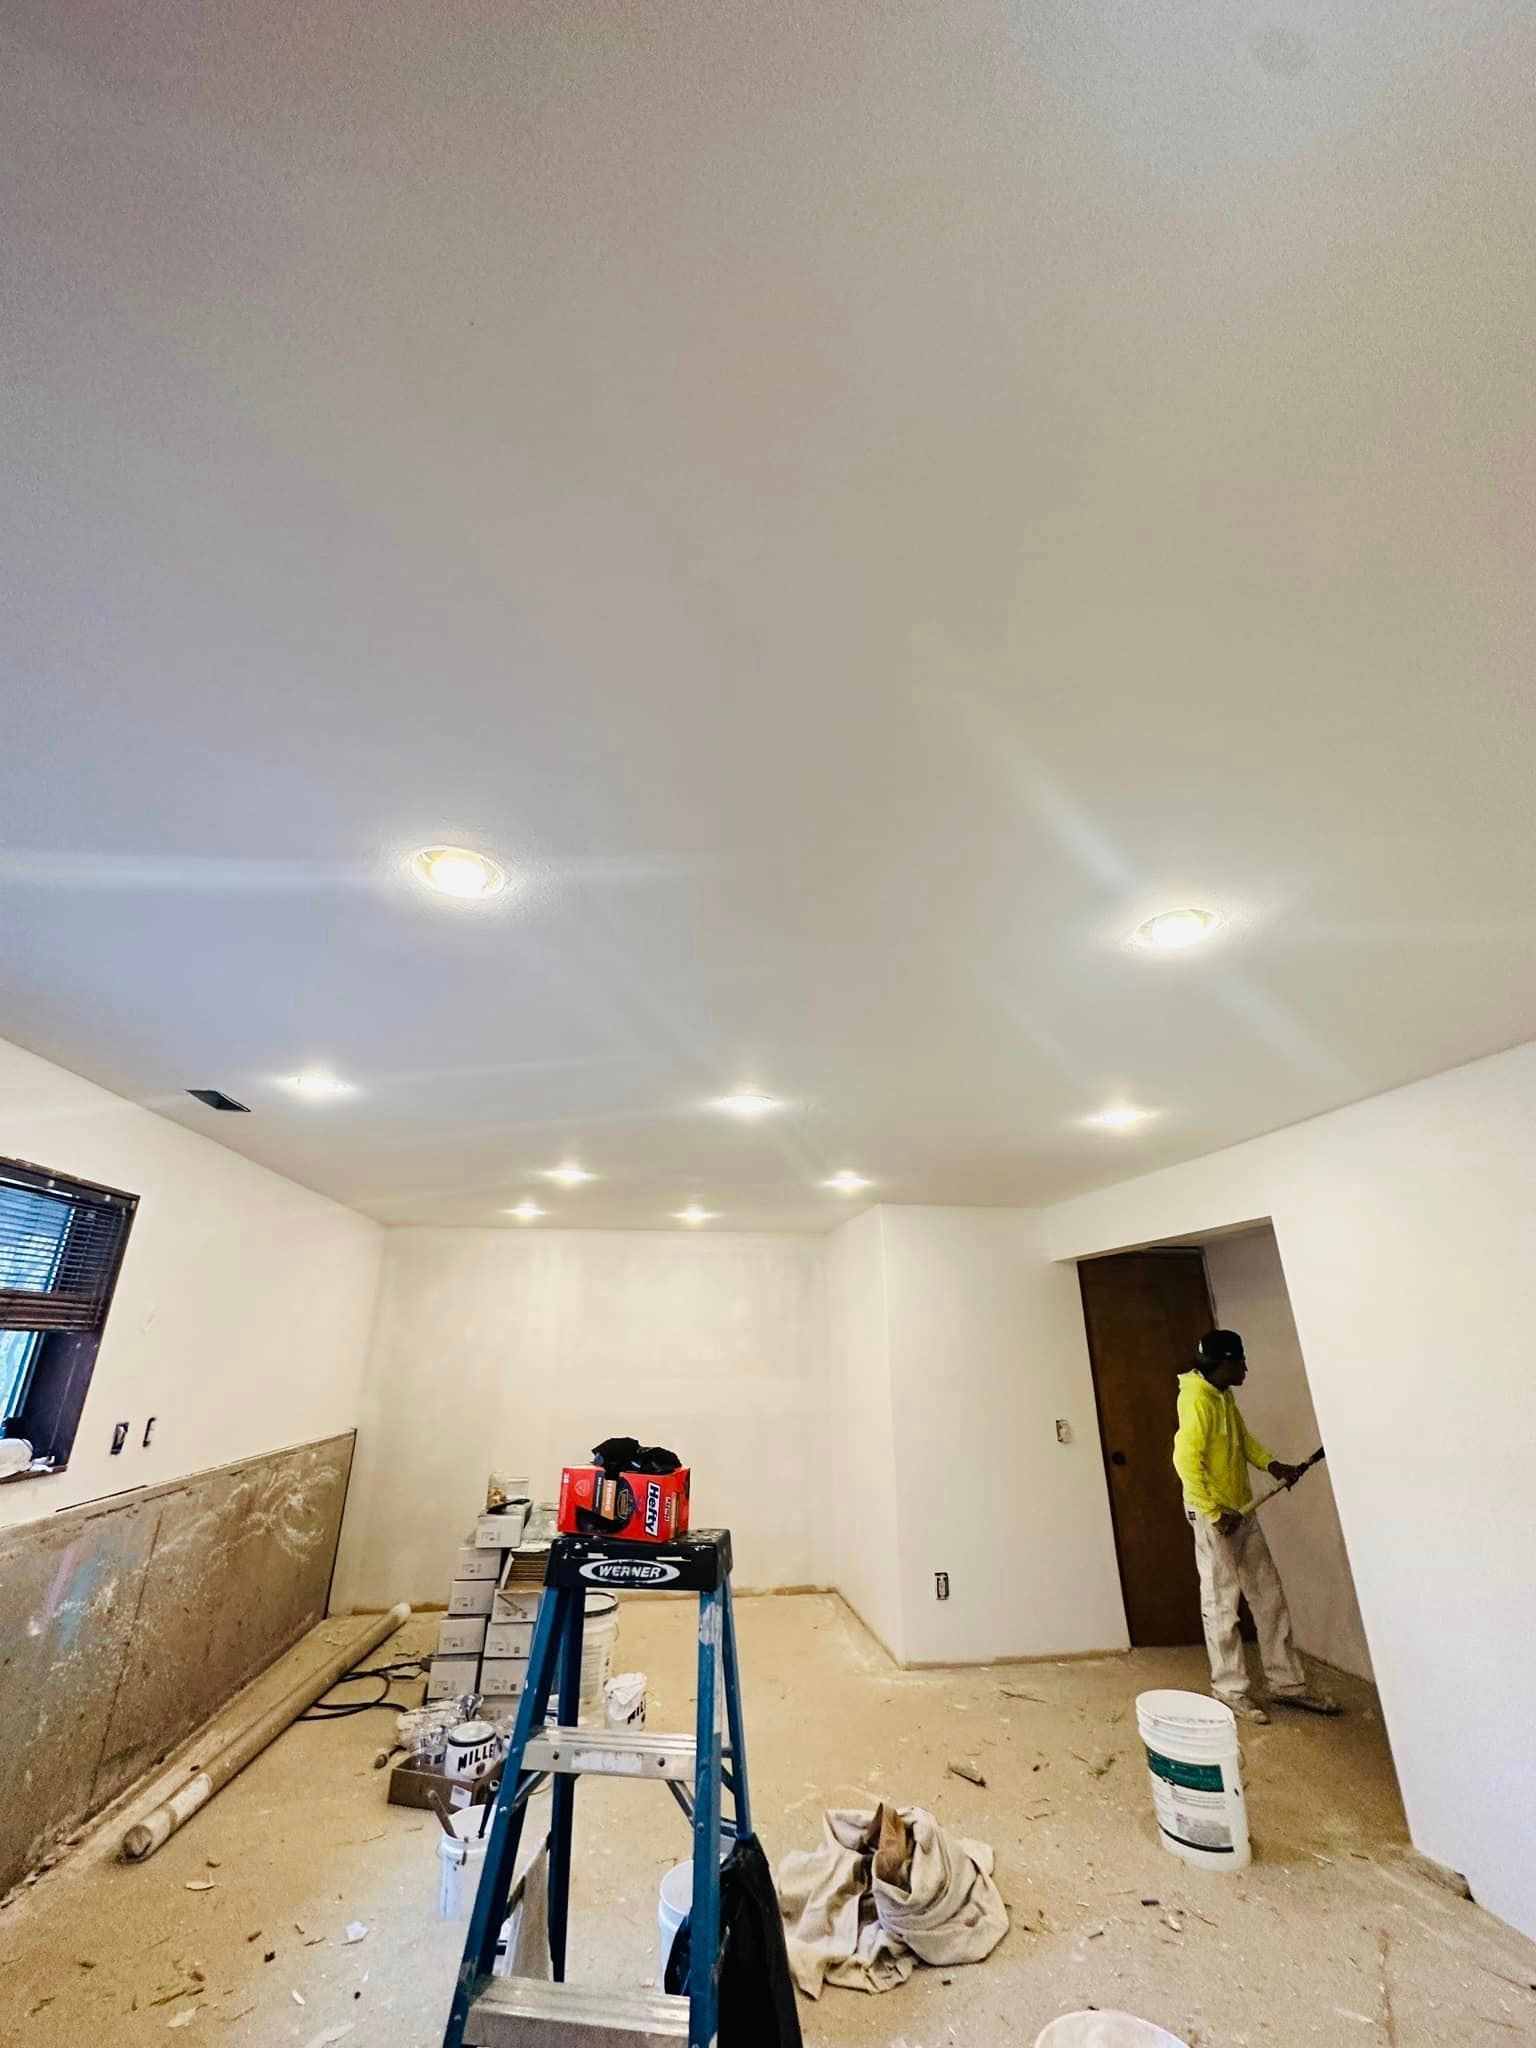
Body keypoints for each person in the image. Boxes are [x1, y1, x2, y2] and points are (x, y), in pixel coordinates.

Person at [1172, 1329, 1340, 1724]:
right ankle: (1228, 1690)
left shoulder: (1222, 1395)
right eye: (1240, 1361)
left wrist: (1272, 1464)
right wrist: (1215, 1513)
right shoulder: (1196, 1400)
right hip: (1215, 1517)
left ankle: (1288, 1685)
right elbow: (1184, 1463)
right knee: (1221, 1604)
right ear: (1221, 1364)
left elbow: (1243, 1441)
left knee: (1268, 1596)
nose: (1245, 1367)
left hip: (1241, 1511)